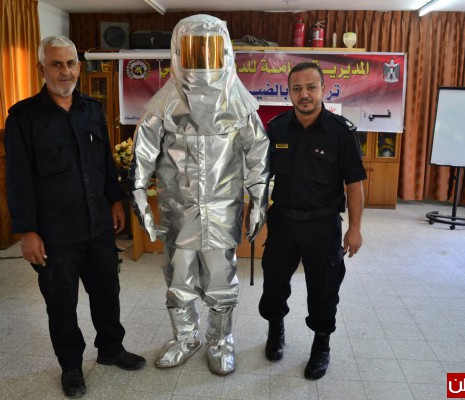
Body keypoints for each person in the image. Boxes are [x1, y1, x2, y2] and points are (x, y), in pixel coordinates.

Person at [4, 35, 146, 398]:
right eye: (56, 64)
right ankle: (70, 366)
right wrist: (27, 232)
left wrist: (115, 200)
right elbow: (18, 178)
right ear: (41, 68)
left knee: (107, 292)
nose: (65, 72)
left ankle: (111, 349)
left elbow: (105, 163)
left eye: (70, 64)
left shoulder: (92, 110)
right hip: (55, 233)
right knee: (61, 303)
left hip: (98, 225)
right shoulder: (23, 117)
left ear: (78, 67)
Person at [128, 14, 269, 375]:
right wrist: (140, 198)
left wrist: (259, 200)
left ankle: (221, 342)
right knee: (179, 280)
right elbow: (141, 157)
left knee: (222, 281)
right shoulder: (161, 106)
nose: (202, 61)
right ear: (178, 52)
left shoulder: (240, 105)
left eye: (210, 49)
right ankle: (186, 338)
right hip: (179, 214)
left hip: (223, 212)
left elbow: (259, 155)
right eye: (193, 50)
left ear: (225, 52)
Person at [258, 61, 366, 380]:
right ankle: (276, 329)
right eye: (297, 88)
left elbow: (354, 184)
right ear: (288, 92)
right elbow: (260, 175)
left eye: (310, 87)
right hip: (283, 223)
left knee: (323, 289)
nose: (304, 94)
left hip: (323, 226)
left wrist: (355, 228)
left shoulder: (341, 132)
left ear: (323, 89)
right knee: (274, 284)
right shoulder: (276, 128)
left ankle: (321, 345)